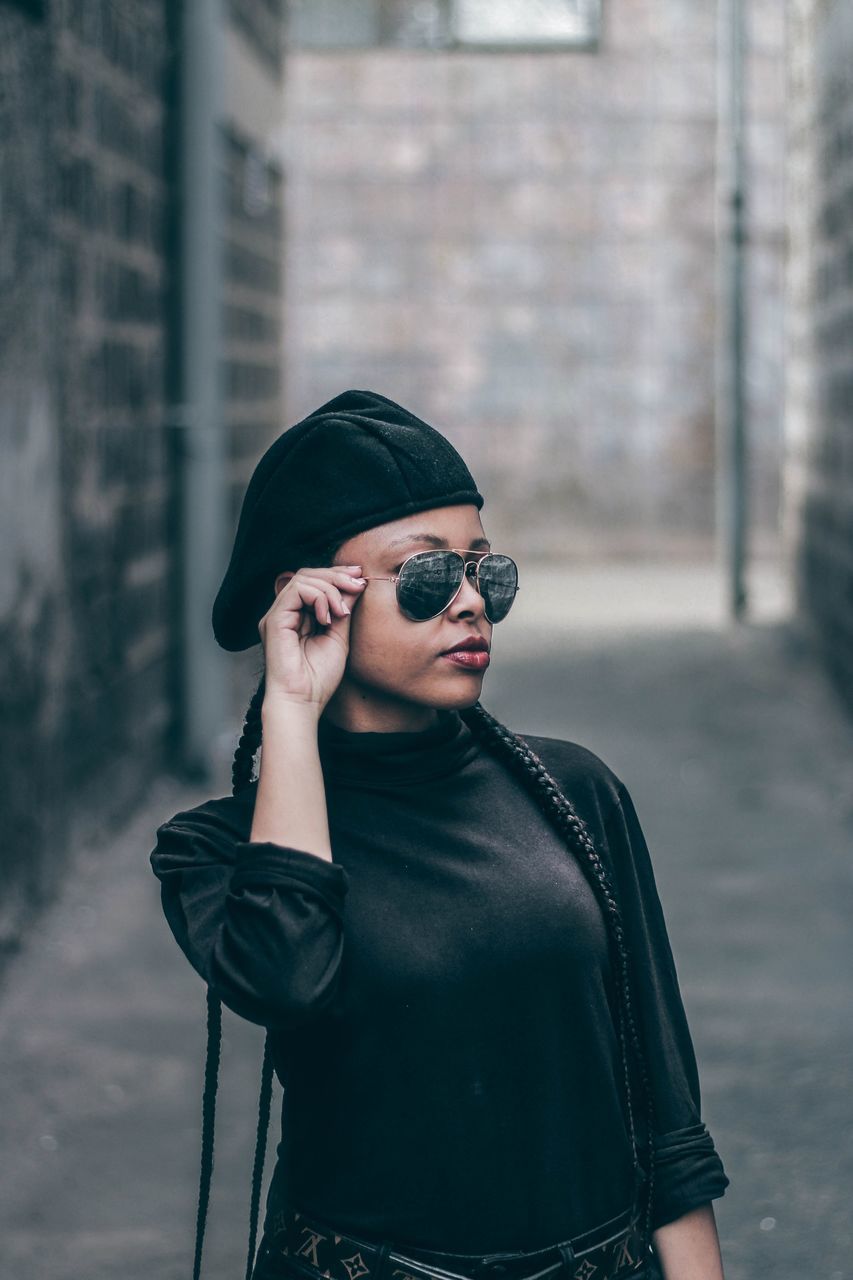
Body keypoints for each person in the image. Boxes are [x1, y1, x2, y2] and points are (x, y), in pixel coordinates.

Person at [149, 390, 730, 1280]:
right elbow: (287, 979)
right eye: (425, 578)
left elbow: (662, 1104)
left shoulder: (572, 790)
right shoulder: (214, 851)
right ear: (312, 599)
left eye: (485, 573)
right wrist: (292, 709)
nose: (470, 605)